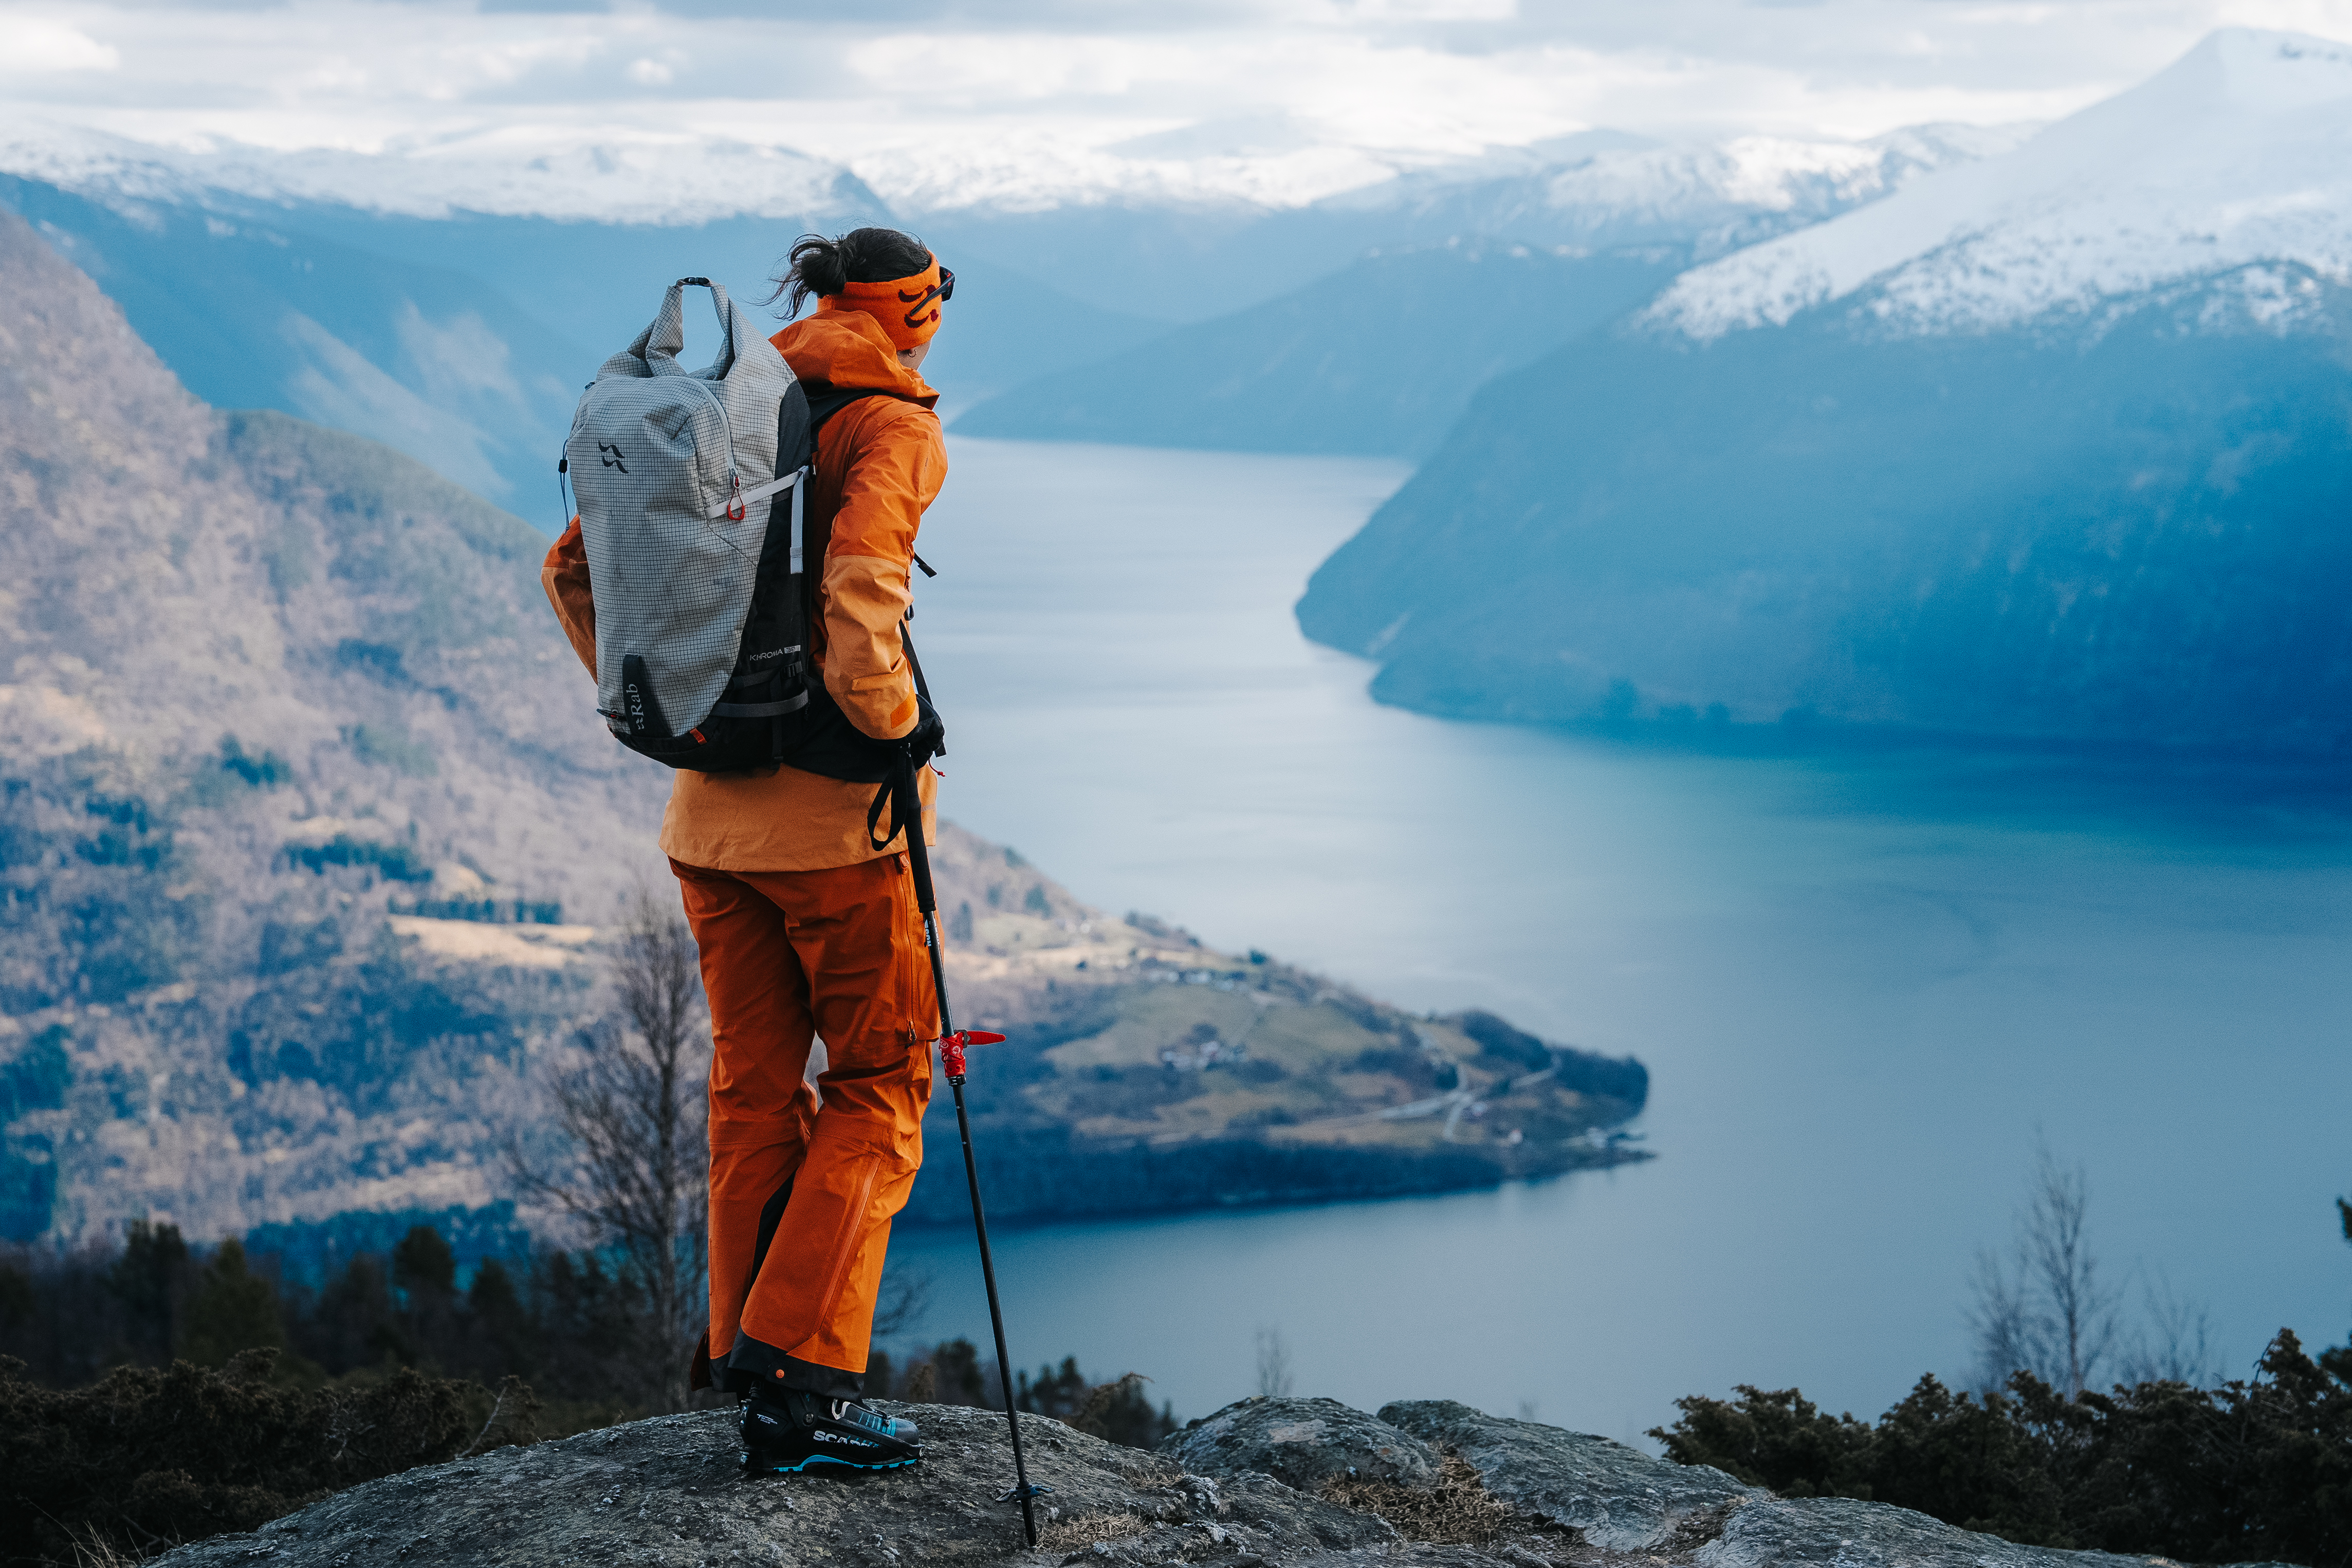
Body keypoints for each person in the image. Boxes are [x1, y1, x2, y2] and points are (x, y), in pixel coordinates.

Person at [541, 226, 951, 1473]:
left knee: (753, 1085)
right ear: (911, 311)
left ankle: (743, 1353)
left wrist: (676, 721)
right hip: (833, 829)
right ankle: (800, 1385)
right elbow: (861, 594)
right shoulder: (888, 424)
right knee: (881, 1082)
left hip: (705, 827)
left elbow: (572, 569)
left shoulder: (717, 405)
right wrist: (891, 732)